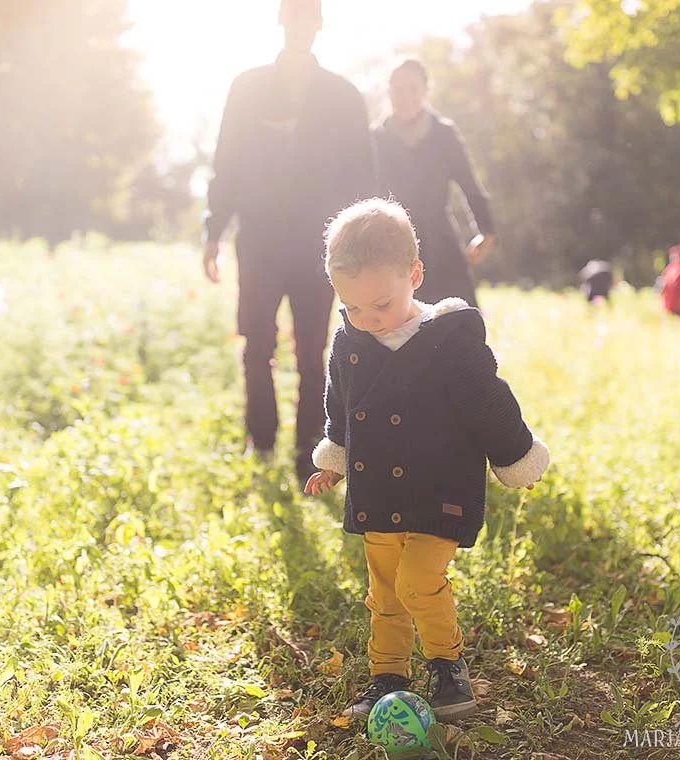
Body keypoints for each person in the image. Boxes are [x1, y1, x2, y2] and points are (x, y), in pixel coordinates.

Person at [303, 198, 550, 721]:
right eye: (353, 308)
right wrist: (334, 461)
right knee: (385, 592)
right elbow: (340, 407)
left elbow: (491, 404)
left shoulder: (448, 343)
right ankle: (387, 673)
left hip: (441, 489)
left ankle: (446, 663)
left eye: (381, 305)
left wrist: (516, 459)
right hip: (378, 493)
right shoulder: (350, 341)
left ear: (415, 274)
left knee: (419, 581)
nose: (368, 319)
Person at [202, 0, 376, 483]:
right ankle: (260, 444)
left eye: (309, 17)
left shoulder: (343, 96)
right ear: (281, 21)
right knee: (255, 346)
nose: (301, 25)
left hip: (320, 250)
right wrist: (213, 232)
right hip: (257, 243)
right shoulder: (247, 88)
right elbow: (226, 165)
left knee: (312, 352)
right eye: (293, 16)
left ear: (320, 24)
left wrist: (360, 248)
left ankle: (308, 453)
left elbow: (363, 177)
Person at [373, 59, 496, 307]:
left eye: (413, 89)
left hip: (441, 243)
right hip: (390, 246)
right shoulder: (374, 138)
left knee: (456, 321)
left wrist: (486, 231)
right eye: (398, 89)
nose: (405, 96)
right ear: (388, 91)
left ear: (426, 91)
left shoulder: (444, 134)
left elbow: (469, 184)